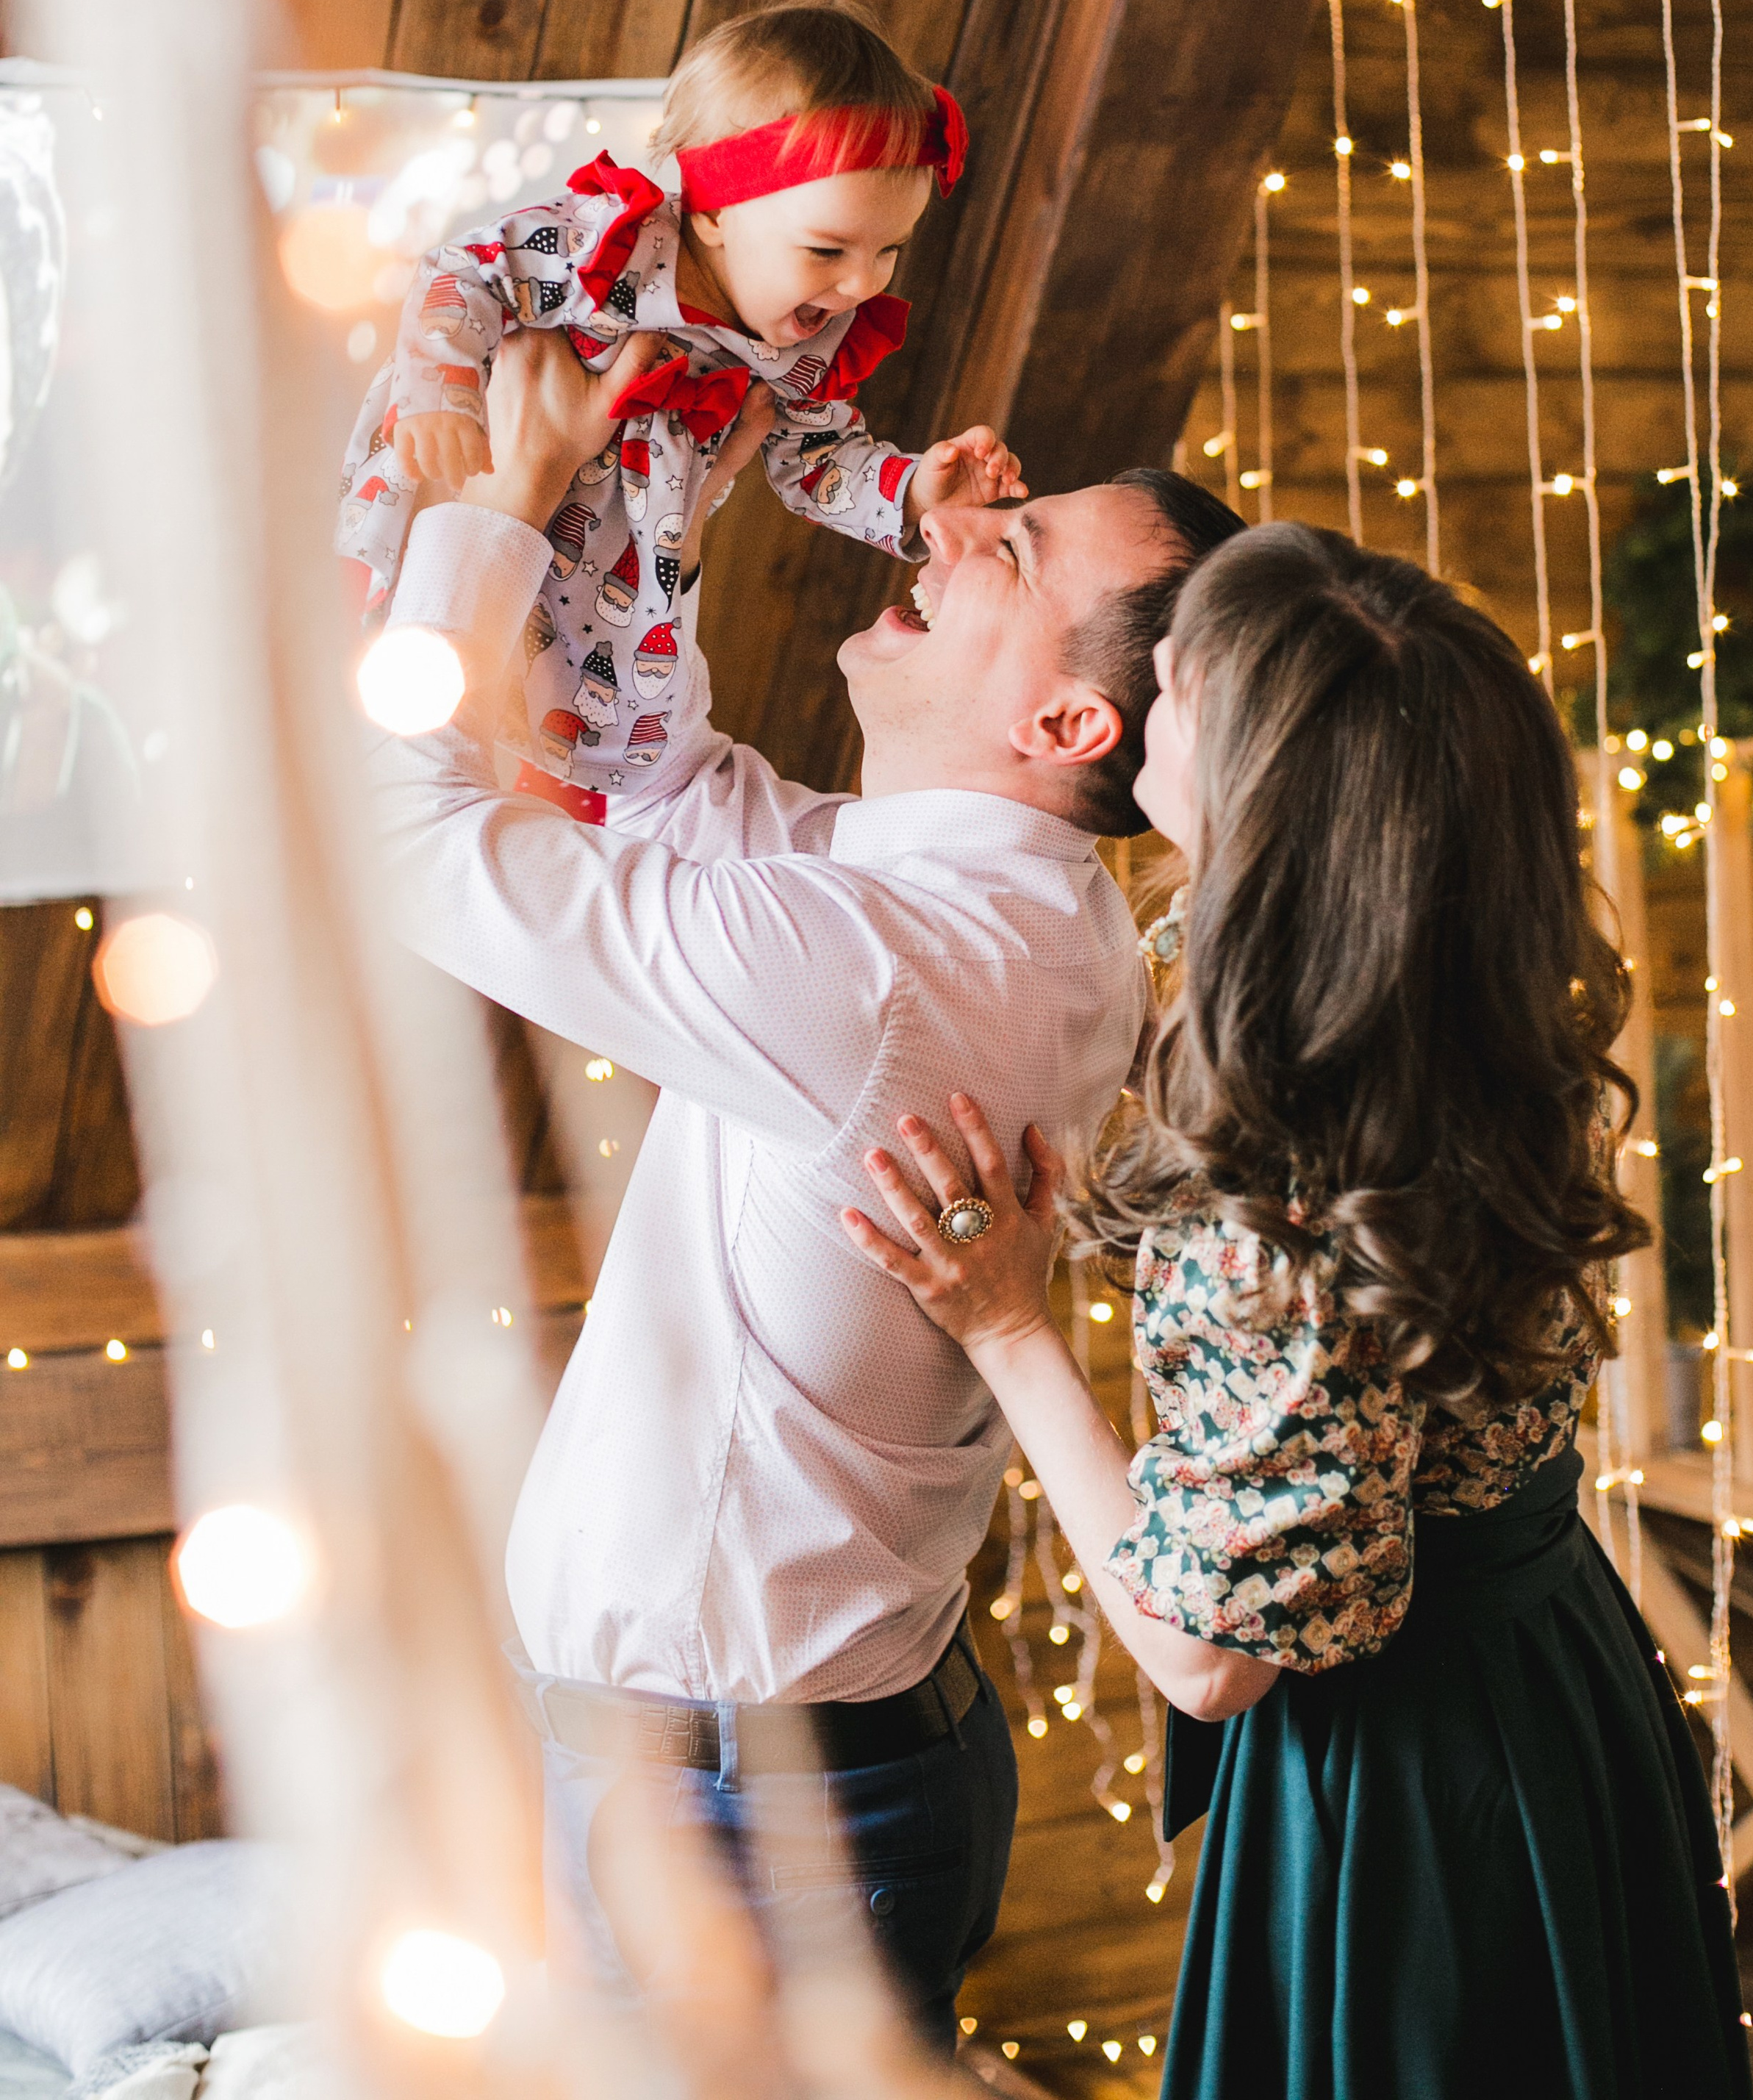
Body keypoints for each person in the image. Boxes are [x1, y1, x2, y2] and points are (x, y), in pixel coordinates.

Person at [368, 323, 1241, 2049]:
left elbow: (400, 830)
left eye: (1008, 546)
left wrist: (508, 502)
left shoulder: (885, 967)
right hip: (751, 1784)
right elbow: (658, 779)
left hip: (745, 1826)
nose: (944, 527)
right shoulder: (987, 909)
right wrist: (653, 479)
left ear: (1065, 716)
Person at [843, 521, 1753, 2099]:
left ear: (1268, 808)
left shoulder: (1281, 1197)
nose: (1143, 708)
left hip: (1417, 1782)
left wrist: (1004, 1323)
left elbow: (1206, 1662)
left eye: (1177, 690)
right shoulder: (1466, 984)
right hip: (1558, 1677)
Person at [339, 0, 1022, 819]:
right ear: (714, 214)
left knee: (588, 724)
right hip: (475, 474)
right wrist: (442, 392)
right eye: (828, 250)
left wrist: (914, 489)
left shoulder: (806, 343)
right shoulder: (610, 246)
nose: (863, 283)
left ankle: (553, 827)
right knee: (404, 656)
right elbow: (466, 274)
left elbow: (815, 459)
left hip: (614, 564)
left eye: (889, 250)